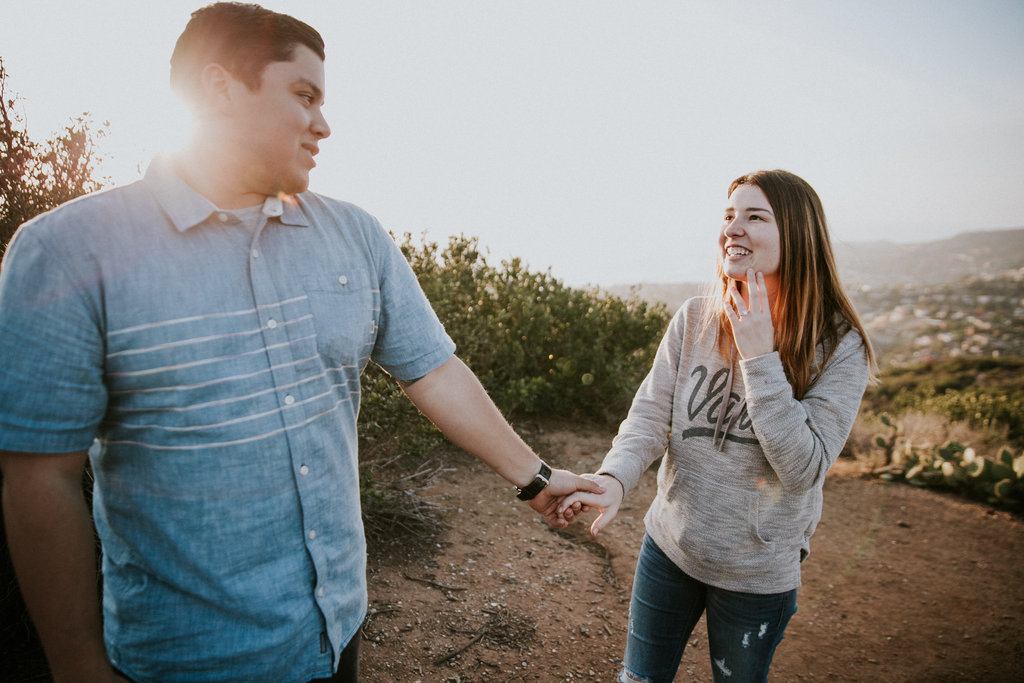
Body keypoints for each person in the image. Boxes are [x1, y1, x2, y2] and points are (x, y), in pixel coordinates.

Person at [0, 3, 602, 682]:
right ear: (221, 90)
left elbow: (433, 369)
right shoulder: (67, 252)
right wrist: (78, 664)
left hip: (334, 631)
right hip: (186, 658)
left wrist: (539, 478)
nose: (324, 123)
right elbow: (39, 476)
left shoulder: (355, 236)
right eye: (305, 95)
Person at [559, 170, 876, 682]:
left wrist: (759, 357)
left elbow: (804, 469)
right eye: (729, 216)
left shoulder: (841, 346)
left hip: (755, 576)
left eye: (755, 216)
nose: (733, 228)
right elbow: (647, 417)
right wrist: (615, 477)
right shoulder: (695, 318)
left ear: (798, 233)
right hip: (669, 547)